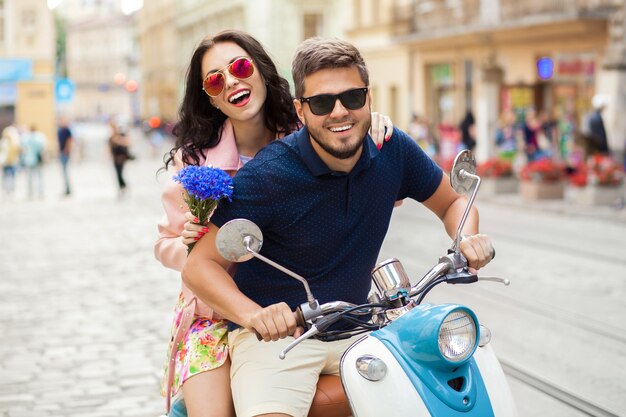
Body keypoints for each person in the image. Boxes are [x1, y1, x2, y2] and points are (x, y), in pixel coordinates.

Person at [182, 37, 494, 417]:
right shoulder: (267, 175)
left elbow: (453, 201)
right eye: (322, 102)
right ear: (302, 109)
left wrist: (466, 237)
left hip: (359, 323)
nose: (340, 112)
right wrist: (254, 316)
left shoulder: (392, 149)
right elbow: (200, 266)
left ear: (369, 99)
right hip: (280, 339)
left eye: (352, 97)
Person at [155, 30, 393, 417]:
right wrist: (187, 244)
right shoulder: (196, 164)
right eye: (215, 79)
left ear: (262, 72)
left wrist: (369, 124)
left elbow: (365, 169)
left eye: (240, 67)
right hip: (215, 314)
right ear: (210, 96)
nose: (231, 80)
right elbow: (166, 244)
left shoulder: (309, 133)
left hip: (300, 309)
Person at [20, 125, 47, 199]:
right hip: (37, 159)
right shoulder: (39, 137)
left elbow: (23, 148)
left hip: (29, 160)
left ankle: (30, 192)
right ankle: (40, 192)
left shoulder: (26, 138)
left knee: (30, 177)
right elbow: (43, 148)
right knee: (39, 176)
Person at [108, 121, 133, 197]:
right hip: (115, 157)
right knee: (117, 173)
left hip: (121, 157)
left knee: (120, 172)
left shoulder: (121, 135)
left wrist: (119, 140)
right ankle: (122, 186)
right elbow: (109, 147)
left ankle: (123, 186)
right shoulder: (111, 137)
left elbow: (128, 143)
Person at [0, 125, 21, 197]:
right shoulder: (4, 142)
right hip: (7, 162)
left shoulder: (10, 143)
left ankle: (10, 189)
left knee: (10, 176)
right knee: (8, 176)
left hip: (10, 162)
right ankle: (8, 189)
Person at [57, 118, 73, 196]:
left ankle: (68, 189)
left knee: (65, 171)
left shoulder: (67, 130)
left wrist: (67, 150)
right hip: (62, 153)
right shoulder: (59, 131)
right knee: (63, 172)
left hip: (65, 153)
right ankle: (66, 188)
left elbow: (70, 140)